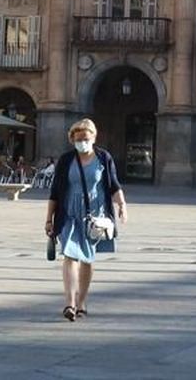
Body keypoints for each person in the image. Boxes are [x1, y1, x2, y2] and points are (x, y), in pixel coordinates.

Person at [44, 118, 128, 322]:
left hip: (94, 215)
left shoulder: (103, 158)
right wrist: (49, 219)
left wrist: (122, 205)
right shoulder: (66, 160)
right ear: (72, 139)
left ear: (94, 137)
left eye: (86, 138)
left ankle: (82, 301)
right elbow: (55, 192)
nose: (82, 142)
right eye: (78, 138)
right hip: (69, 213)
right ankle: (70, 303)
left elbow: (113, 185)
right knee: (69, 256)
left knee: (87, 259)